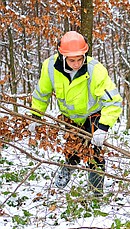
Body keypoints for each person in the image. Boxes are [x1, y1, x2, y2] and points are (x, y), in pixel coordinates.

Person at [29, 31, 122, 196]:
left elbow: (113, 101)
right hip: (70, 119)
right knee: (72, 152)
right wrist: (36, 116)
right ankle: (59, 185)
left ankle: (96, 194)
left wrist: (103, 127)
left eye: (80, 59)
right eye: (72, 60)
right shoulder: (50, 67)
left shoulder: (95, 70)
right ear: (62, 55)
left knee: (95, 154)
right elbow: (41, 94)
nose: (77, 63)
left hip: (93, 115)